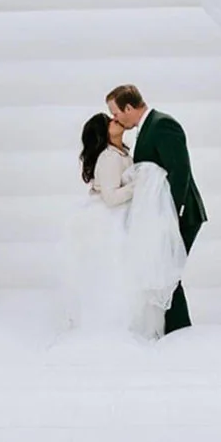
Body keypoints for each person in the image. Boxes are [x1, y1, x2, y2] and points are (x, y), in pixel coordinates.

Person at [60, 112, 186, 338]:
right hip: (111, 220)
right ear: (103, 133)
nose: (114, 120)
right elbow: (110, 197)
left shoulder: (123, 152)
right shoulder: (108, 157)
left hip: (124, 215)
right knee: (120, 272)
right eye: (108, 122)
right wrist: (140, 185)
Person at [106, 85, 206, 334]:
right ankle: (174, 330)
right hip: (162, 215)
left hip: (181, 213)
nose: (114, 118)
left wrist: (169, 214)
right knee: (164, 271)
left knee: (168, 273)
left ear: (129, 108)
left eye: (116, 112)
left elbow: (179, 171)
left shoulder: (162, 124)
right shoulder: (148, 127)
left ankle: (180, 332)